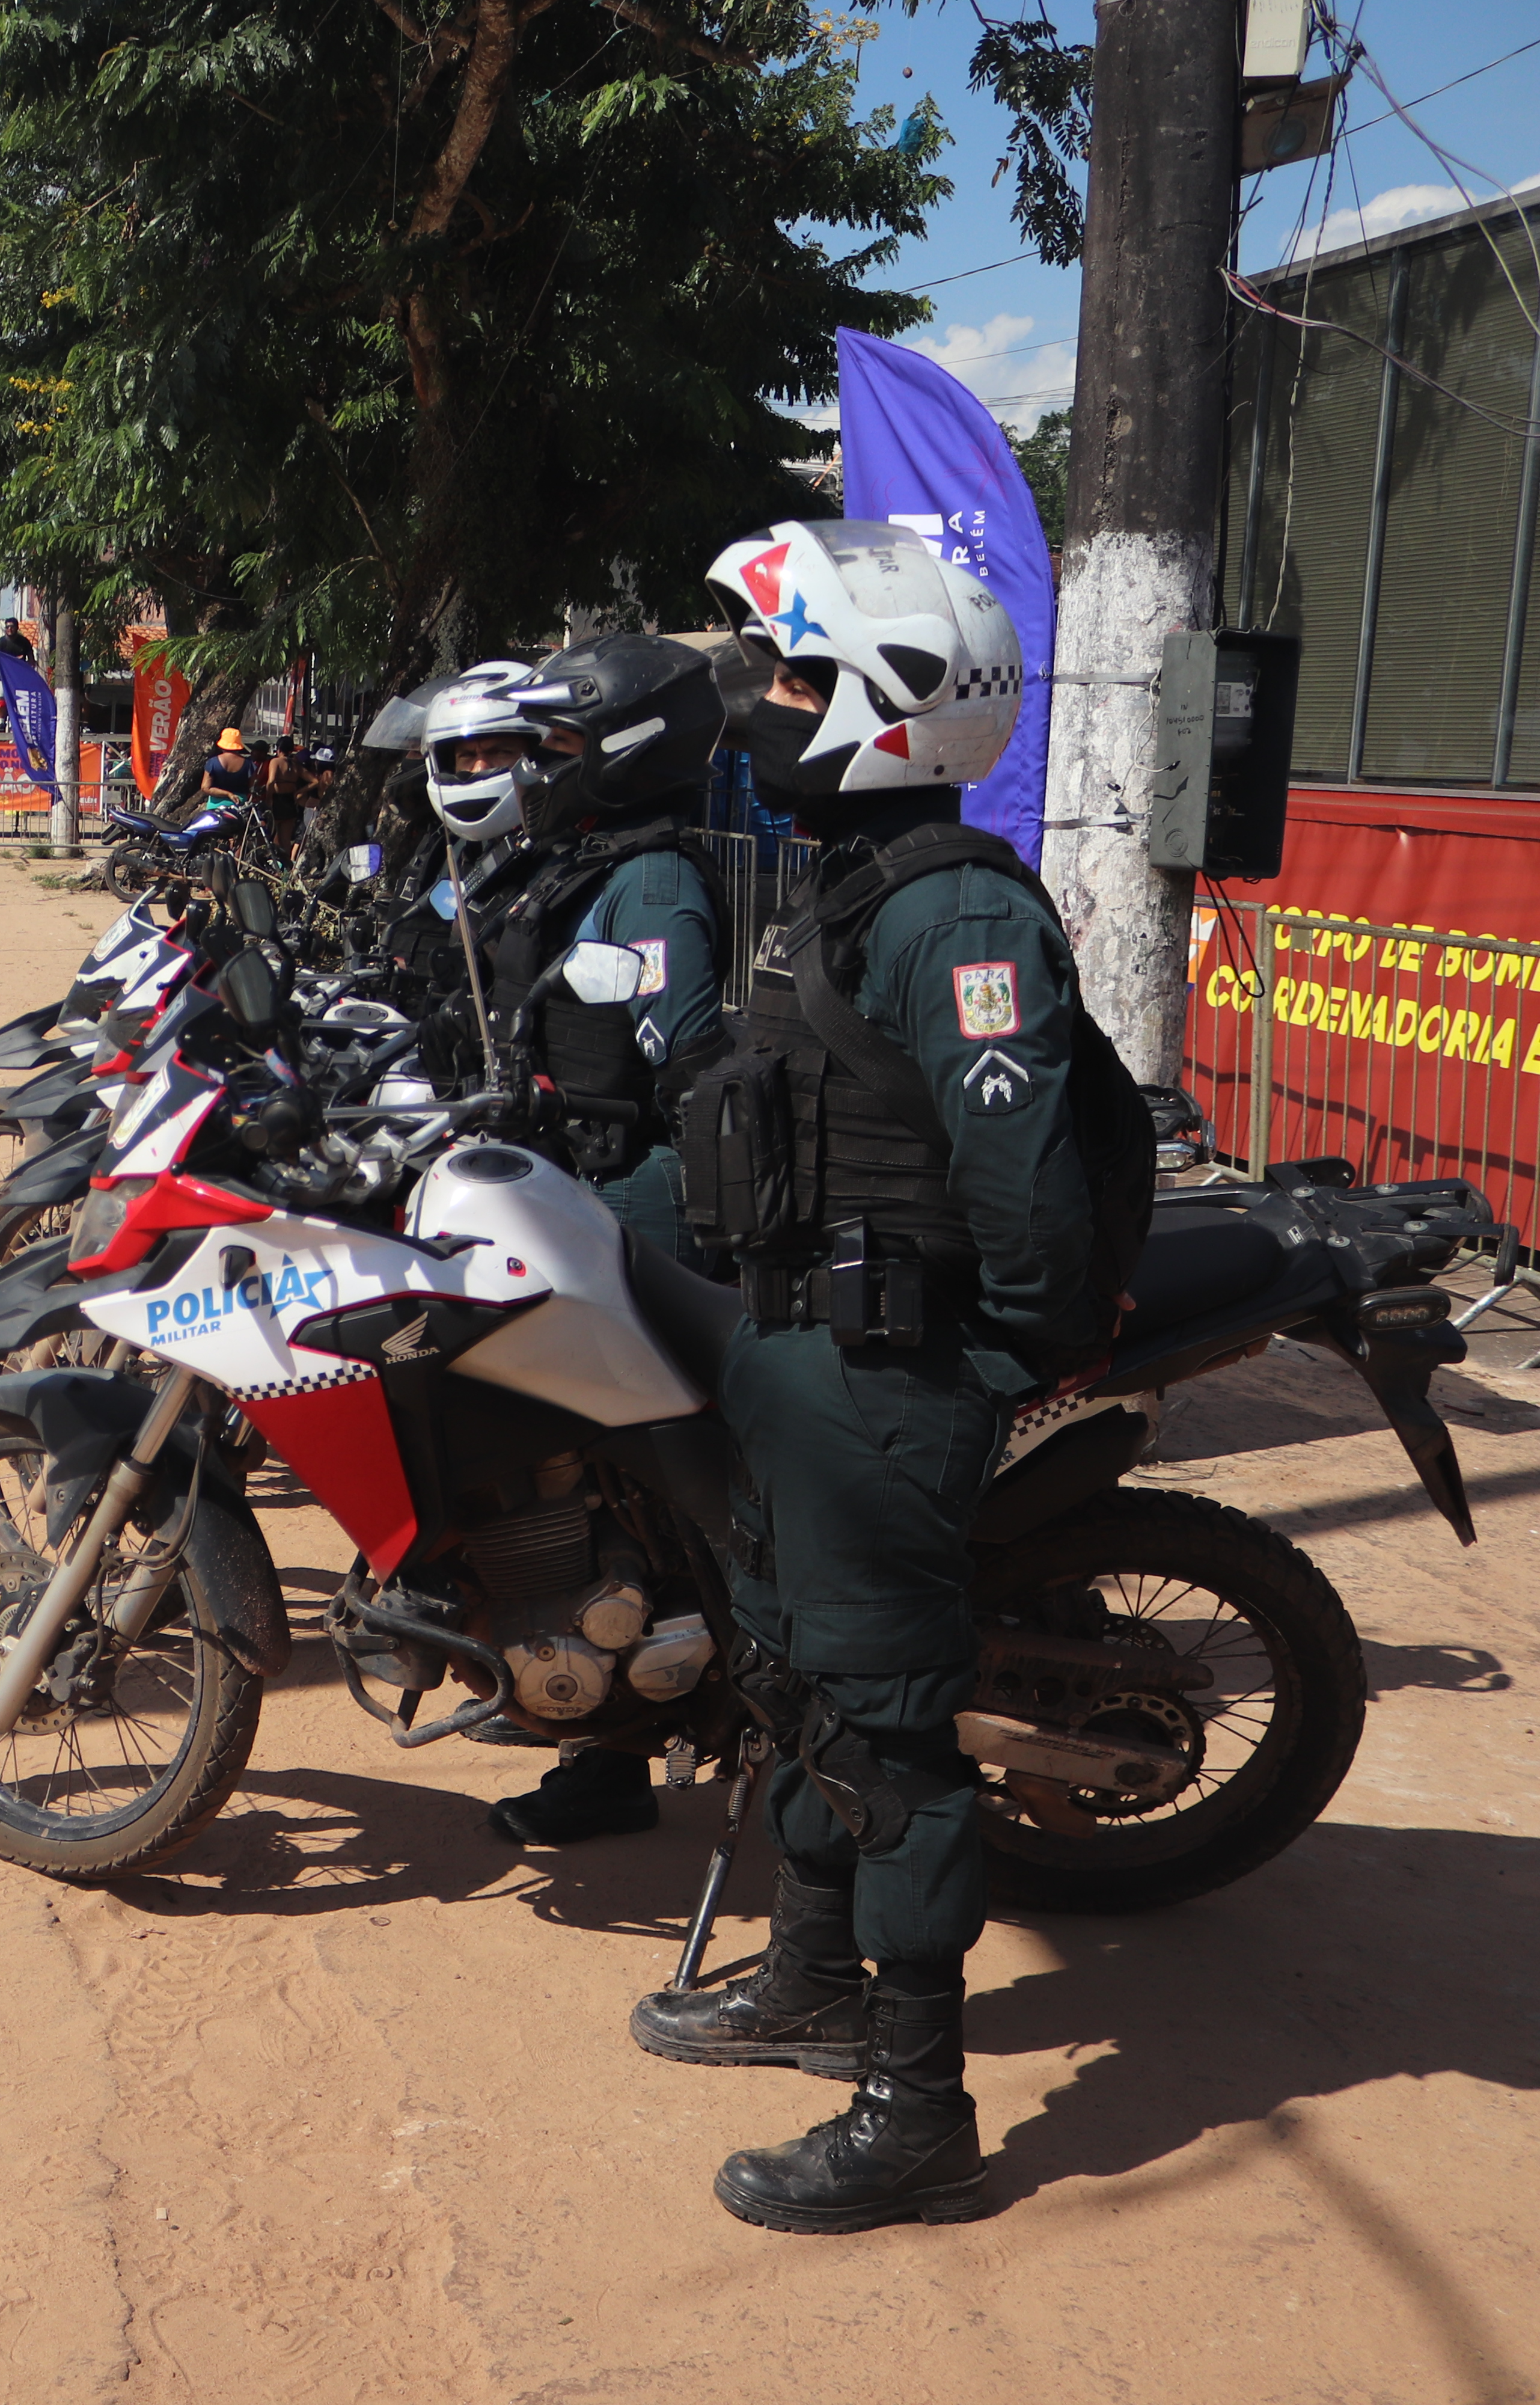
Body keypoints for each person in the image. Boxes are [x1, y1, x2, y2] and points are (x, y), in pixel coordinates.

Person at [628, 518, 1141, 2236]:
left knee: (890, 1736)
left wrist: (970, 1358)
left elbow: (1030, 1208)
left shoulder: (961, 914)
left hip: (884, 1380)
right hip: (799, 1363)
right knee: (797, 1683)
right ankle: (812, 1979)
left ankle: (918, 2110)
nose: (758, 707)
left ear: (887, 706)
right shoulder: (838, 890)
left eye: (788, 676)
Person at [440, 636, 727, 1851]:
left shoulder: (652, 880)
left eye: (556, 745)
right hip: (568, 1174)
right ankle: (563, 1669)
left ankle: (622, 1743)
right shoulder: (572, 858)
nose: (535, 766)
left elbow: (685, 1058)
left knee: (598, 1454)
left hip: (631, 1195)